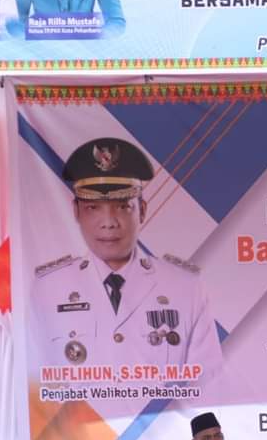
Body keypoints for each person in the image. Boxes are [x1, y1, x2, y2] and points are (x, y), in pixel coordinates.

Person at [29, 137, 222, 375]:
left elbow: (207, 382)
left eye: (122, 206)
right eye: (93, 207)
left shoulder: (185, 286)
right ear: (76, 211)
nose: (109, 223)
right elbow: (37, 382)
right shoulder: (48, 288)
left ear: (142, 211)